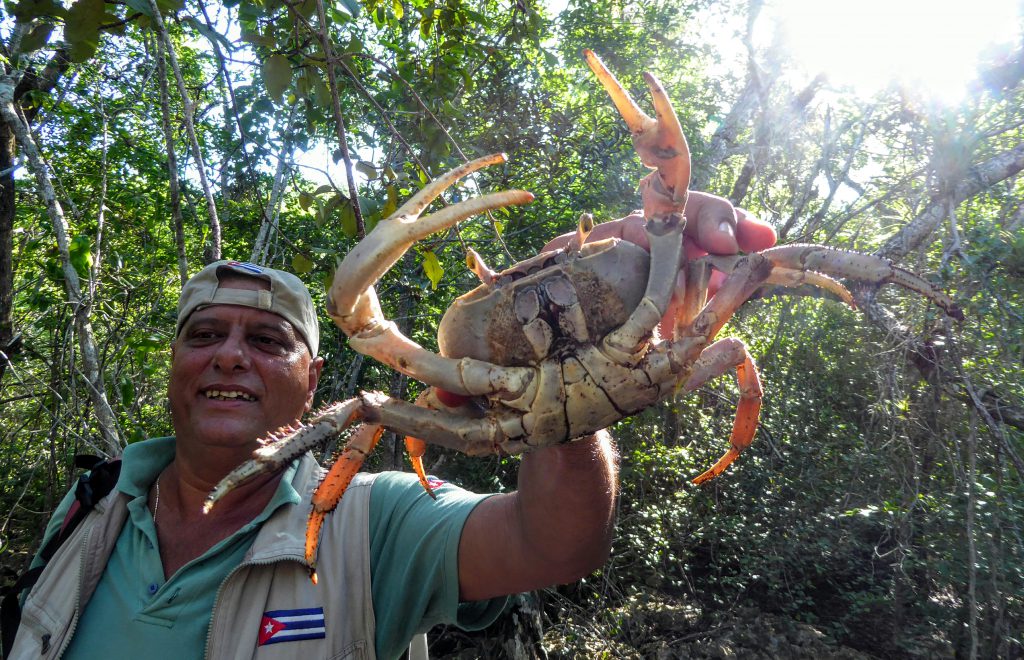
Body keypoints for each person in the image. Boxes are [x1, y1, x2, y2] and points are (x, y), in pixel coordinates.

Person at [8, 192, 775, 660]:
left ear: (312, 380)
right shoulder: (89, 508)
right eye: (204, 335)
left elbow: (559, 545)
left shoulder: (372, 520)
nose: (230, 358)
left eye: (268, 341)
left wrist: (561, 407)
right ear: (173, 362)